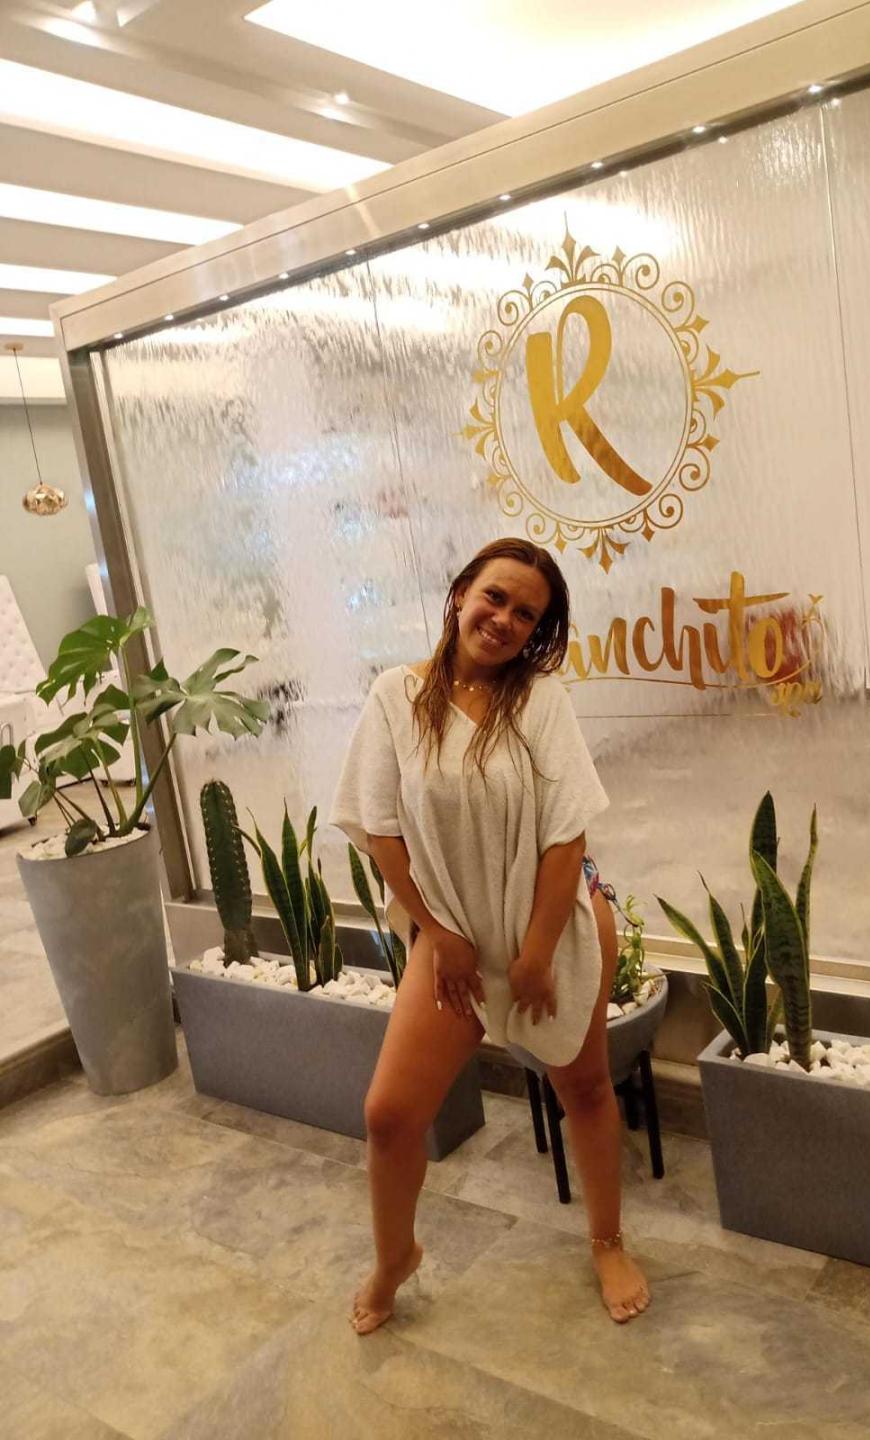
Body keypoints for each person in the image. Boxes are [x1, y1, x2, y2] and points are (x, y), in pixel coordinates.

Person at [329, 536, 652, 1334]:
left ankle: (608, 1242)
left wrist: (537, 953)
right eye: (495, 598)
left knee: (583, 1088)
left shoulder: (540, 701)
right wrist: (438, 934)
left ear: (537, 632)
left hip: (552, 931)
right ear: (460, 595)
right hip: (454, 947)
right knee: (389, 1115)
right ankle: (394, 1256)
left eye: (527, 614)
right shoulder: (396, 696)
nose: (505, 619)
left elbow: (566, 836)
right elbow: (380, 830)